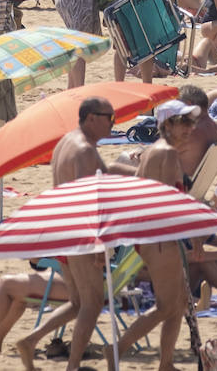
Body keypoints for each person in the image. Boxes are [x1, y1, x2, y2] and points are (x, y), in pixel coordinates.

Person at [14, 97, 131, 371]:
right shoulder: (84, 152)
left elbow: (102, 172)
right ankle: (73, 366)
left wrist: (141, 172)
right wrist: (101, 244)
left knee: (78, 302)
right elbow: (87, 201)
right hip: (80, 233)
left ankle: (30, 341)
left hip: (62, 231)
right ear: (91, 118)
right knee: (92, 303)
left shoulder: (68, 142)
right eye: (109, 117)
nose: (114, 123)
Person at [114, 100, 199, 368]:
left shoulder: (155, 151)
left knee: (178, 303)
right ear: (167, 125)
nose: (189, 127)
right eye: (183, 122)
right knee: (166, 305)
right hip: (159, 236)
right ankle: (117, 350)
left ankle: (166, 362)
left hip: (154, 234)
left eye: (190, 122)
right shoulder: (166, 154)